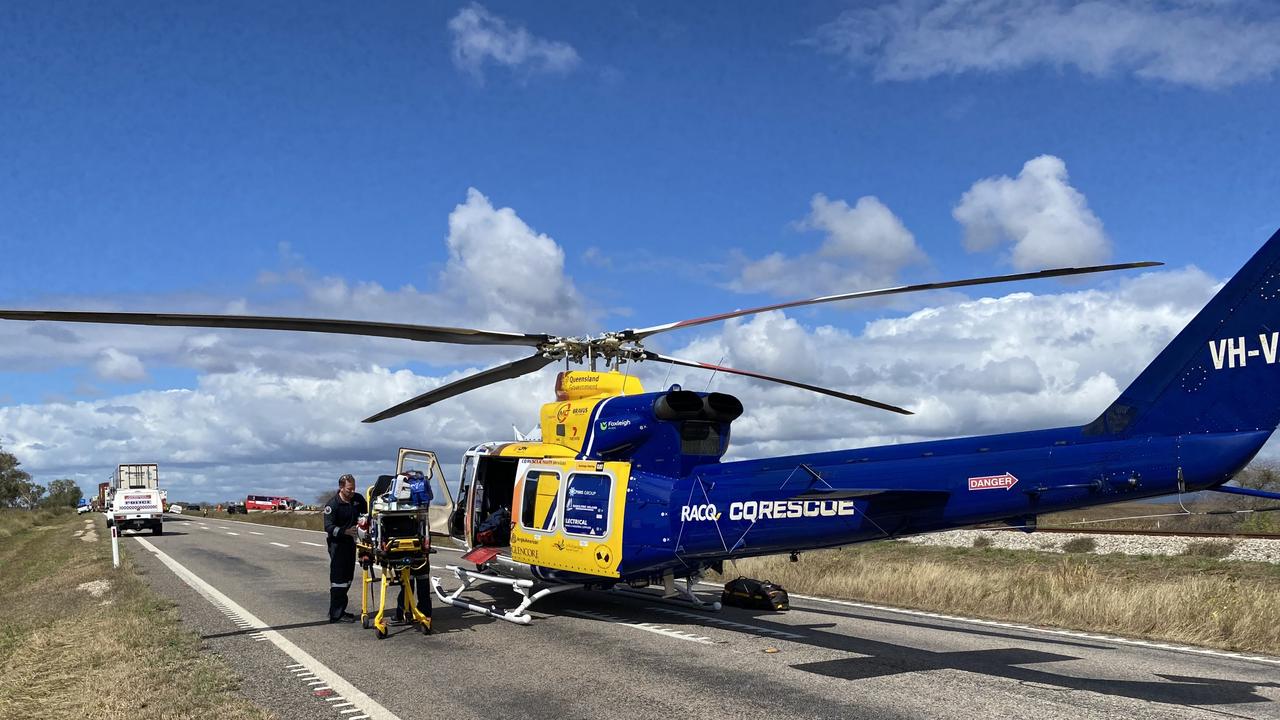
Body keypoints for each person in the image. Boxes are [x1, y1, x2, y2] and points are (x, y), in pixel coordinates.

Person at [323, 473, 368, 623]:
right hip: (338, 545)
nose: (352, 492)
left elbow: (366, 515)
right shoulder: (332, 505)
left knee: (348, 578)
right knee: (338, 580)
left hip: (352, 544)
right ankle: (336, 614)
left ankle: (340, 609)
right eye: (349, 489)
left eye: (354, 488)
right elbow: (328, 526)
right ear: (341, 488)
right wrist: (344, 531)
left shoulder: (358, 499)